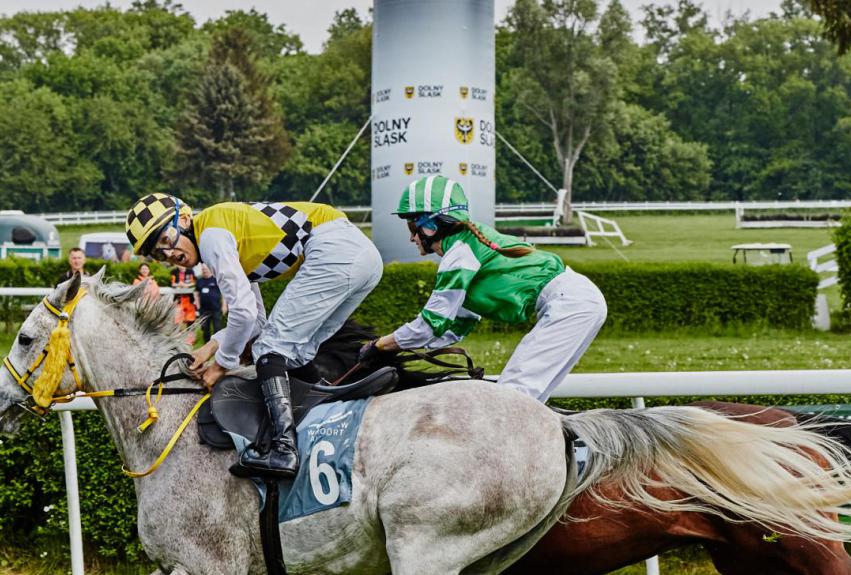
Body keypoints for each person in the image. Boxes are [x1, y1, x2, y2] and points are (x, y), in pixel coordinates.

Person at [125, 193, 382, 478]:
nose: (169, 254)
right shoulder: (226, 235)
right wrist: (210, 346)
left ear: (184, 220)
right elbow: (256, 320)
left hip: (335, 249)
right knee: (296, 353)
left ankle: (284, 450)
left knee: (270, 349)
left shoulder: (211, 237)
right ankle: (322, 427)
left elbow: (244, 314)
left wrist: (221, 365)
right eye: (159, 254)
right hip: (361, 255)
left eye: (166, 240)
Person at [366, 176, 606, 403]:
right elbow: (457, 325)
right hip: (577, 300)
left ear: (431, 225)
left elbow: (429, 324)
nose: (411, 238)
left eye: (412, 227)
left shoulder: (460, 253)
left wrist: (379, 346)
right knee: (530, 401)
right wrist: (406, 347)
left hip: (570, 304)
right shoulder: (465, 247)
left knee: (511, 399)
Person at [195, 262, 226, 344]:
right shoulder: (199, 281)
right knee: (205, 328)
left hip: (216, 309)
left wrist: (224, 305)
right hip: (204, 310)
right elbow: (196, 293)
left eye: (206, 269)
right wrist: (198, 306)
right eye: (203, 269)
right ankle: (207, 344)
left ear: (210, 269)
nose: (204, 271)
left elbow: (223, 293)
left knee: (217, 328)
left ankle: (218, 344)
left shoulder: (216, 279)